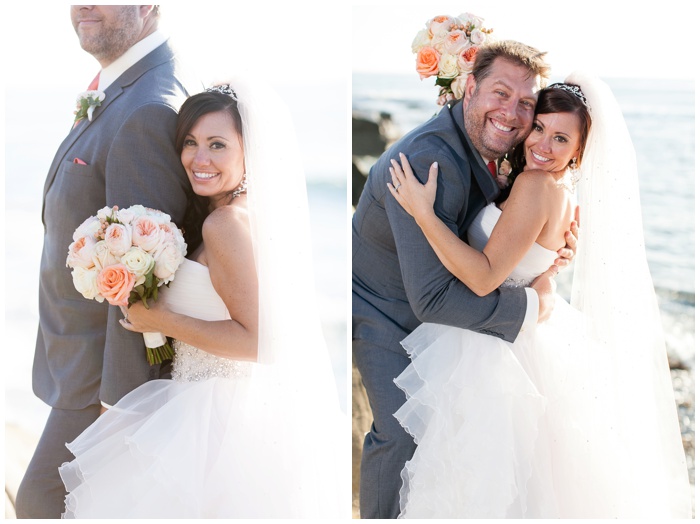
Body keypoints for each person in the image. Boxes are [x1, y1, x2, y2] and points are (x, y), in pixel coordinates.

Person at [388, 75, 692, 518]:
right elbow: (532, 260)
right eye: (540, 128)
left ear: (579, 152)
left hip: (492, 344)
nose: (543, 145)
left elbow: (483, 277)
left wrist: (422, 213)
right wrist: (547, 276)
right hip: (525, 335)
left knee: (475, 484)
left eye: (561, 138)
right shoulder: (557, 192)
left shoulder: (535, 186)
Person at [57, 81, 346, 518]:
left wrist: (158, 319)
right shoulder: (240, 215)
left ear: (251, 152)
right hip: (216, 409)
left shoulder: (225, 225)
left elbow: (259, 343)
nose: (200, 158)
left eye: (217, 145)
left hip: (215, 417)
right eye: (190, 143)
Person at [352, 40, 578, 518]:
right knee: (401, 430)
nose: (513, 114)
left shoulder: (514, 151)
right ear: (469, 87)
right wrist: (531, 307)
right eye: (500, 93)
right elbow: (434, 298)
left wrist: (547, 254)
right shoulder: (426, 162)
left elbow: (509, 221)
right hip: (383, 306)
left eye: (525, 104)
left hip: (443, 307)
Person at [16, 6, 198, 518]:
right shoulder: (121, 88)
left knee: (39, 504)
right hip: (77, 369)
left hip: (101, 385)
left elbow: (147, 277)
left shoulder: (148, 110)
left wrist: (119, 411)